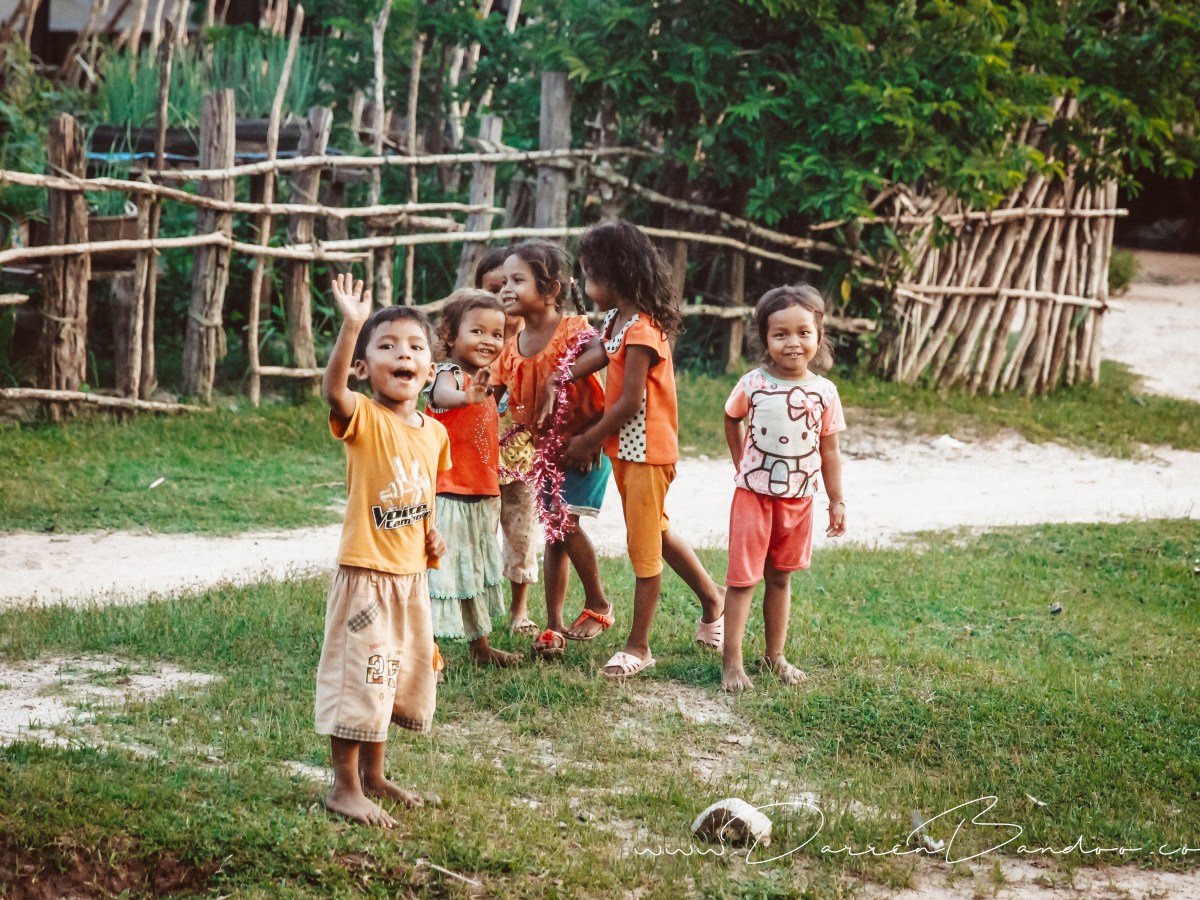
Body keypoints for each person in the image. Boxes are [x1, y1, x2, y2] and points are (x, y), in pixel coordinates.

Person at [558, 219, 725, 679]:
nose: (586, 285)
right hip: (628, 450)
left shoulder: (644, 330)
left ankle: (639, 646)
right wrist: (556, 377)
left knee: (643, 549)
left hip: (646, 450)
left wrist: (586, 439)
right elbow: (595, 353)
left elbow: (630, 401)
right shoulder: (619, 320)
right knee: (658, 532)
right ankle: (714, 599)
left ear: (617, 276)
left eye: (590, 275)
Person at [315, 272, 450, 828]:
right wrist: (351, 325)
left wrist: (432, 536)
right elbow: (332, 392)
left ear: (430, 369)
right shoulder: (363, 418)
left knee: (389, 675)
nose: (404, 354)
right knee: (362, 676)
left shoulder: (434, 432)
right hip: (367, 574)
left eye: (416, 347)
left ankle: (374, 776)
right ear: (364, 367)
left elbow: (423, 495)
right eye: (388, 345)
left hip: (410, 576)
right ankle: (344, 787)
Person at [720, 284, 846, 692]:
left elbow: (830, 450)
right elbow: (731, 417)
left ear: (818, 336)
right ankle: (732, 661)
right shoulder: (753, 383)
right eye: (781, 334)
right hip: (753, 498)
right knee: (743, 579)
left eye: (803, 332)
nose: (793, 343)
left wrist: (836, 501)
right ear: (765, 338)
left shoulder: (825, 392)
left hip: (799, 500)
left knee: (781, 578)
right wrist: (742, 464)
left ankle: (775, 656)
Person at [493, 240, 613, 659]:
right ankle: (554, 623)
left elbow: (607, 355)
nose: (506, 289)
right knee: (555, 535)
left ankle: (598, 601)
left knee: (563, 525)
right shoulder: (512, 350)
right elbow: (492, 396)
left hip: (587, 443)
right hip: (549, 452)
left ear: (550, 290)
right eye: (503, 282)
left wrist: (558, 380)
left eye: (517, 280)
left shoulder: (574, 330)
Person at [425, 288, 522, 669]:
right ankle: (426, 651)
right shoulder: (446, 374)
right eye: (477, 331)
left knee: (476, 569)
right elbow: (441, 396)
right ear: (450, 336)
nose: (489, 341)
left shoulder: (483, 379)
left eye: (497, 334)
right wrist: (468, 398)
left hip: (482, 491)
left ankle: (480, 647)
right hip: (447, 490)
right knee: (440, 574)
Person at [474, 247, 540, 636]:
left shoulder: (532, 342)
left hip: (524, 458)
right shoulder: (473, 344)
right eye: (493, 287)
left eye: (511, 284)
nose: (504, 294)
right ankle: (475, 604)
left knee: (521, 532)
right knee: (477, 533)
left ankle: (519, 609)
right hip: (476, 460)